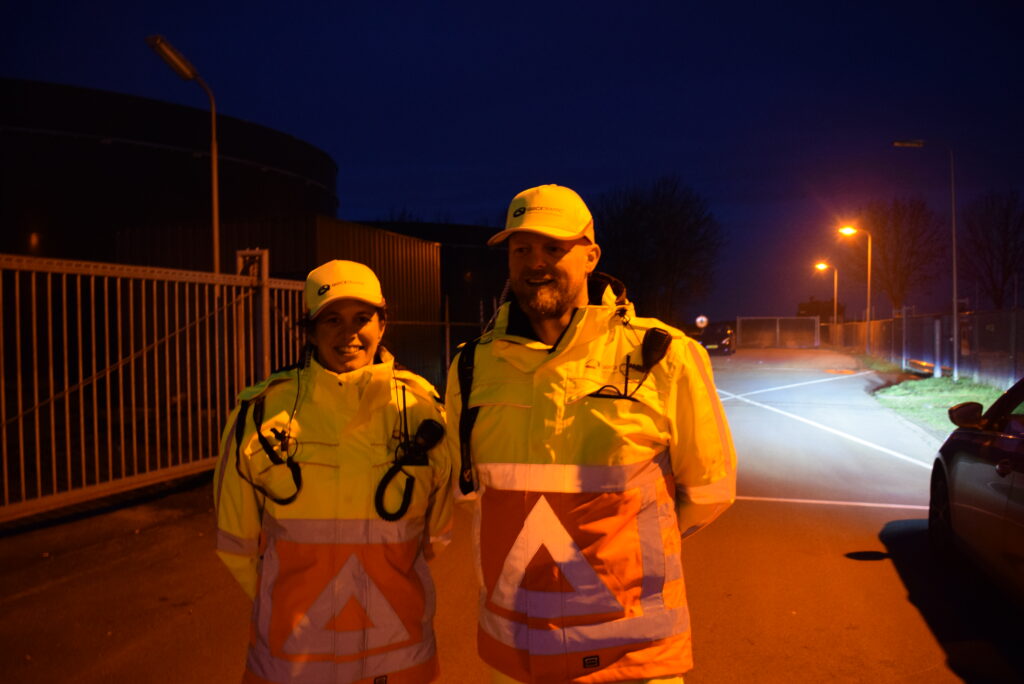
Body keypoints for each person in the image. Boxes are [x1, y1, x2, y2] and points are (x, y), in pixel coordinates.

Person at [446, 184, 737, 684]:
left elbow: (709, 491)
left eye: (553, 248)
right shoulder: (472, 366)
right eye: (522, 250)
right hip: (517, 660)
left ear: (591, 257)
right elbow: (473, 491)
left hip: (634, 661)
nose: (535, 262)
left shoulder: (664, 356)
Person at [214, 259, 454, 684]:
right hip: (293, 663)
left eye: (363, 318)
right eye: (332, 319)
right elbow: (236, 543)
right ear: (309, 330)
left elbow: (436, 535)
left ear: (383, 325)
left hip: (398, 663)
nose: (349, 334)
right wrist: (298, 609)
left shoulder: (421, 413)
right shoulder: (261, 413)